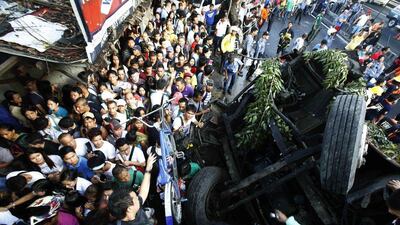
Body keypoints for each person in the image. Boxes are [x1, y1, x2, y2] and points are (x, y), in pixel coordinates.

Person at [107, 153, 157, 224]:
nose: (138, 197)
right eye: (136, 198)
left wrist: (148, 169)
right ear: (129, 208)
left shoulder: (129, 207)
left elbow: (143, 192)